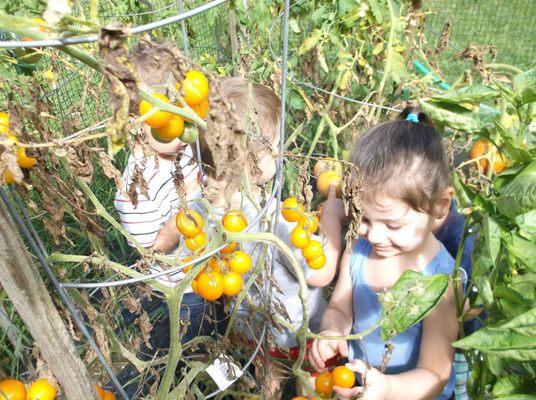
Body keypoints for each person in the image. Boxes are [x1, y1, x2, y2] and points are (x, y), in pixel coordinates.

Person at [309, 107, 460, 400]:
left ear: (440, 206)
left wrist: (388, 389)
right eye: (363, 218)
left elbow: (435, 373)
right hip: (362, 386)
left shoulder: (440, 280)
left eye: (393, 225)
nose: (375, 235)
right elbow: (340, 309)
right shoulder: (358, 247)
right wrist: (333, 332)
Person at [212, 77, 345, 398]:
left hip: (250, 331)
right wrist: (331, 218)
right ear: (253, 163)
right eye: (273, 146)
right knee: (311, 377)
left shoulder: (207, 208)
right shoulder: (274, 220)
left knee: (268, 375)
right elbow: (322, 271)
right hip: (295, 333)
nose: (280, 151)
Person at [111, 44, 218, 397]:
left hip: (205, 271)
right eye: (172, 120)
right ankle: (167, 386)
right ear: (139, 122)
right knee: (179, 348)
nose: (184, 128)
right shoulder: (134, 187)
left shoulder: (180, 151)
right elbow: (152, 248)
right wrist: (187, 206)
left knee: (212, 337)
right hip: (181, 289)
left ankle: (220, 378)